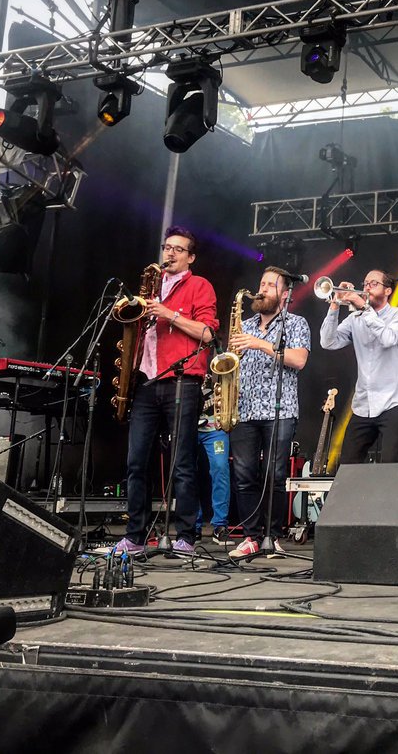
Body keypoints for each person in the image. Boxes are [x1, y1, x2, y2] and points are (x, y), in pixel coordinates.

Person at [113, 227, 219, 558]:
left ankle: (186, 536)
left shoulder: (200, 286)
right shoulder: (152, 287)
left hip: (182, 381)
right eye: (166, 247)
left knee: (182, 462)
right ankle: (135, 537)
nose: (169, 253)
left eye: (177, 249)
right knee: (136, 462)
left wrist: (169, 313)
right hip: (145, 380)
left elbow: (207, 333)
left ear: (191, 257)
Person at [228, 267, 310, 560]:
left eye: (270, 285)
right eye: (261, 283)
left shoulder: (296, 323)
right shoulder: (244, 325)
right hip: (244, 409)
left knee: (274, 475)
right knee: (244, 474)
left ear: (285, 294)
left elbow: (299, 360)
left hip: (281, 410)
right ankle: (251, 536)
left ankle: (271, 536)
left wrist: (260, 344)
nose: (262, 289)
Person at [320, 269, 398, 465]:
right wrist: (335, 305)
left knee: (390, 464)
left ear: (388, 291)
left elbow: (388, 338)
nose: (367, 287)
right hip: (364, 404)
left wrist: (364, 308)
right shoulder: (355, 319)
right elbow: (328, 342)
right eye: (365, 284)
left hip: (394, 400)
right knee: (347, 465)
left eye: (373, 283)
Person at [195, 375, 232, 544]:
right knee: (186, 473)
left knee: (220, 470)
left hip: (216, 428)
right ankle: (192, 526)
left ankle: (219, 526)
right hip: (189, 427)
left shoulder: (220, 358)